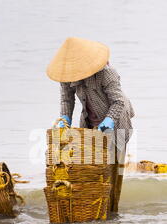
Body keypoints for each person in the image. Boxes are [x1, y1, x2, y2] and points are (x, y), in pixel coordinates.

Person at [46, 37, 135, 213]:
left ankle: (112, 209)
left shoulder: (106, 73)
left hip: (117, 121)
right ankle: (92, 208)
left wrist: (108, 120)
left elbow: (118, 102)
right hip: (89, 122)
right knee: (91, 168)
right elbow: (66, 98)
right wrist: (65, 118)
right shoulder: (67, 75)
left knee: (113, 170)